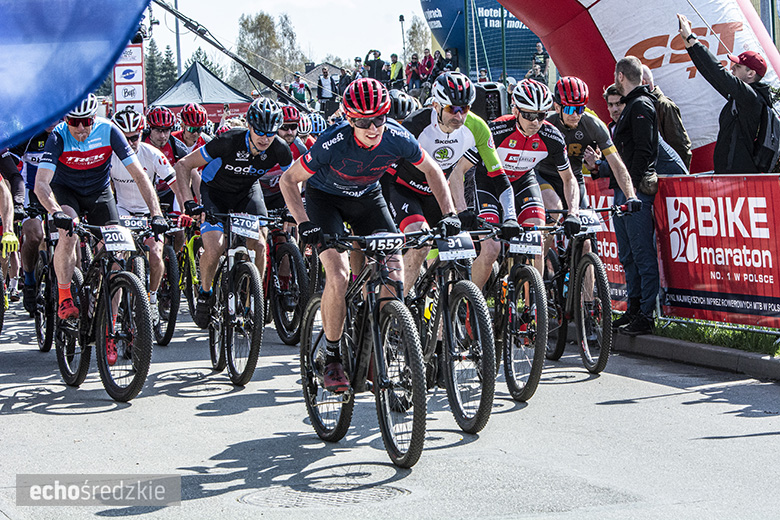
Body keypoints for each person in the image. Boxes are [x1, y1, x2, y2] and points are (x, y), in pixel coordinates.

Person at [279, 77, 460, 393]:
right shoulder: (332, 142)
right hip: (326, 201)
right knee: (339, 275)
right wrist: (303, 220)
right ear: (350, 119)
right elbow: (288, 180)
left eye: (379, 118)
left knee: (394, 272)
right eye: (363, 121)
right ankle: (333, 356)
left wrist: (449, 216)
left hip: (367, 199)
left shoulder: (396, 137)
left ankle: (380, 342)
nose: (373, 127)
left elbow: (433, 170)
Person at [35, 94, 166, 321]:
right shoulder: (58, 136)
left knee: (116, 253)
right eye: (74, 122)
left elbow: (139, 176)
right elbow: (41, 184)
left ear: (94, 118)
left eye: (86, 121)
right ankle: (65, 296)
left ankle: (110, 323)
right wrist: (55, 211)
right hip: (67, 191)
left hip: (99, 193)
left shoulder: (108, 131)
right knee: (68, 235)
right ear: (66, 120)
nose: (81, 127)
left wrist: (156, 214)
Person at [385, 72, 519, 292]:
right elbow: (386, 172)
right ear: (436, 105)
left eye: (464, 109)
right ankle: (397, 310)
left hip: (436, 194)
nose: (458, 116)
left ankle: (437, 316)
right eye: (451, 109)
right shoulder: (415, 125)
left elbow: (499, 178)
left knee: (447, 255)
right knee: (421, 243)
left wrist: (511, 217)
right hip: (403, 189)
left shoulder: (477, 128)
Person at [174, 98, 293, 329]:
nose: (264, 138)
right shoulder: (228, 141)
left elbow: (293, 178)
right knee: (216, 246)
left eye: (270, 132)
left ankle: (251, 302)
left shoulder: (279, 148)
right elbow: (183, 165)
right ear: (249, 125)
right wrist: (188, 202)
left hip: (247, 192)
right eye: (259, 131)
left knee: (259, 245)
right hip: (215, 193)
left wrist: (292, 209)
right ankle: (205, 293)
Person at [462, 79, 582, 282]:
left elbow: (569, 178)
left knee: (536, 244)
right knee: (491, 249)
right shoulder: (497, 130)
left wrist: (574, 213)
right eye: (528, 115)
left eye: (541, 116)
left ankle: (534, 309)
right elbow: (463, 168)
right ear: (516, 111)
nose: (535, 122)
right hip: (489, 183)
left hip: (523, 181)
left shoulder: (552, 136)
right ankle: (473, 308)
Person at [678, 14, 772, 173]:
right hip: (729, 175)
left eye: (738, 66)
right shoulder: (741, 97)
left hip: (739, 178)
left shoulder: (751, 98)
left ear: (751, 74)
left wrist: (692, 38)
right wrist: (688, 44)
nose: (732, 68)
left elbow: (719, 72)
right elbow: (711, 75)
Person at [110, 107, 175, 326]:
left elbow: (175, 184)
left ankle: (153, 299)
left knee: (156, 254)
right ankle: (111, 316)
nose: (130, 143)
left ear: (141, 132)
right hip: (122, 210)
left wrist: (187, 209)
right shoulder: (109, 155)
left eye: (134, 137)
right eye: (124, 138)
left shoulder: (152, 153)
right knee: (115, 260)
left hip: (148, 212)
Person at [611, 56, 660, 336]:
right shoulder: (634, 104)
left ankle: (646, 314)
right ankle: (633, 308)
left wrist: (633, 186)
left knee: (642, 253)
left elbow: (643, 150)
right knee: (628, 254)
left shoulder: (641, 105)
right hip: (626, 189)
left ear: (620, 76)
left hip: (635, 192)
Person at [9, 120, 58, 313]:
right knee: (35, 235)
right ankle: (29, 282)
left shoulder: (65, 133)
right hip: (32, 192)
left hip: (58, 191)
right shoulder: (29, 133)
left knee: (68, 236)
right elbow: (10, 165)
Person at [641, 65, 692, 169]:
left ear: (643, 83)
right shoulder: (643, 106)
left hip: (668, 174)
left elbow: (680, 145)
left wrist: (678, 176)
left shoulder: (664, 106)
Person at [143, 106, 188, 209]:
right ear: (150, 128)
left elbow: (191, 177)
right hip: (144, 192)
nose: (163, 136)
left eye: (166, 130)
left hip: (169, 192)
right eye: (158, 131)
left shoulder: (177, 148)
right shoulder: (140, 142)